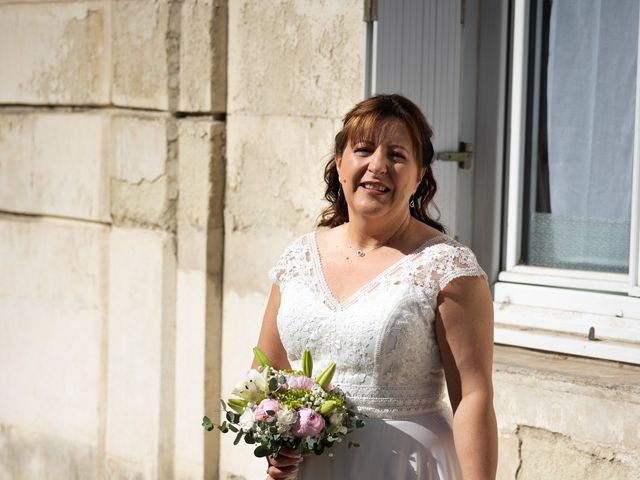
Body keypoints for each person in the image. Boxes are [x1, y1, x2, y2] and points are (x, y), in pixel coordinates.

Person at [253, 93, 498, 479]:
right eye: (363, 149)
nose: (377, 166)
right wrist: (275, 445)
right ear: (339, 163)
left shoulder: (447, 267)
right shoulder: (297, 259)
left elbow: (473, 396)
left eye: (397, 155)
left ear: (419, 175)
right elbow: (266, 375)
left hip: (406, 465)